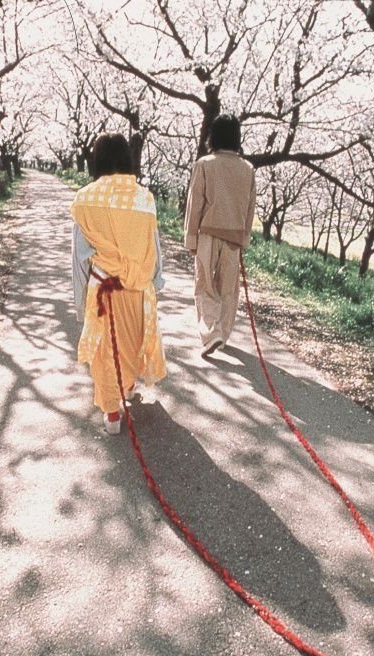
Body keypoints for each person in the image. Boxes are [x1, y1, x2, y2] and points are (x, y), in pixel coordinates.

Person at [71, 133, 167, 434]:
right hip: (138, 290)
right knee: (132, 343)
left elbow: (79, 258)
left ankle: (112, 414)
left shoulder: (85, 199)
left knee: (106, 352)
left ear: (97, 160)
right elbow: (154, 246)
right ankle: (127, 388)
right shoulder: (145, 198)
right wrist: (156, 280)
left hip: (104, 290)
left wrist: (79, 301)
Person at [183, 114, 257, 357]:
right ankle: (222, 335)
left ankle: (210, 333)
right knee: (228, 290)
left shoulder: (205, 164)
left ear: (212, 135)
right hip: (234, 237)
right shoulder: (248, 169)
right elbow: (250, 208)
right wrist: (244, 237)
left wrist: (191, 238)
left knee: (204, 285)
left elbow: (195, 204)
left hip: (208, 233)